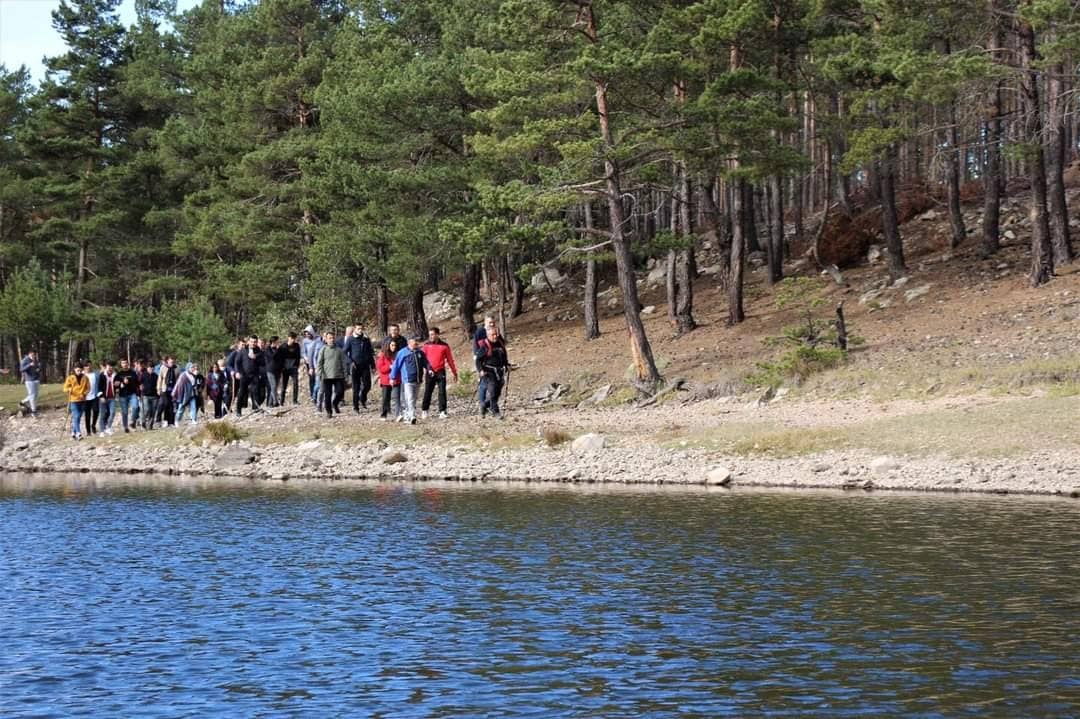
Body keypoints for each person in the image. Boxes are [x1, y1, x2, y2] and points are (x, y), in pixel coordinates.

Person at [390, 335, 432, 425]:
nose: (416, 343)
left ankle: (407, 415)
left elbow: (426, 362)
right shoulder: (402, 352)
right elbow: (396, 365)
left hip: (418, 379)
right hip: (407, 380)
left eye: (417, 341)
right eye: (414, 341)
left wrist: (429, 369)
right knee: (410, 398)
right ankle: (412, 416)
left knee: (414, 398)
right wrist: (392, 377)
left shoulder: (420, 352)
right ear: (409, 342)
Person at [421, 326, 458, 419]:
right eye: (430, 335)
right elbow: (422, 359)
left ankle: (442, 411)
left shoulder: (444, 346)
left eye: (433, 334)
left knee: (442, 391)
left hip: (440, 371)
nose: (431, 336)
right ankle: (424, 410)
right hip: (430, 371)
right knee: (428, 391)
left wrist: (454, 372)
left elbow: (450, 360)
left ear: (437, 334)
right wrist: (426, 369)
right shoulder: (426, 345)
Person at [476, 326, 509, 418]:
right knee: (493, 391)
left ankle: (484, 405)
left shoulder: (500, 343)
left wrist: (507, 365)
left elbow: (504, 356)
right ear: (488, 335)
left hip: (499, 371)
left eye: (496, 334)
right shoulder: (485, 346)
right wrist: (480, 370)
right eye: (493, 335)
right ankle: (495, 411)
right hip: (488, 372)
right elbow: (478, 360)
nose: (495, 336)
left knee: (497, 392)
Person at [344, 323, 376, 413]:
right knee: (356, 387)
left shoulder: (366, 339)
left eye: (361, 328)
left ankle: (362, 398)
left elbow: (370, 353)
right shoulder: (350, 339)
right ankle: (356, 407)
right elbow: (344, 352)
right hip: (355, 366)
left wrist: (373, 365)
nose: (360, 330)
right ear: (355, 329)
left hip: (365, 366)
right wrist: (350, 362)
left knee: (367, 385)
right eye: (358, 328)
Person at [316, 330, 346, 418]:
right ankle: (329, 411)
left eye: (333, 338)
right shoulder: (323, 350)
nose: (331, 340)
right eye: (329, 338)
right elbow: (319, 363)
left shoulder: (339, 350)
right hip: (326, 376)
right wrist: (320, 373)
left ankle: (335, 403)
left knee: (340, 392)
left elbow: (343, 363)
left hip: (338, 375)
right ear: (326, 339)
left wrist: (345, 374)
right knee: (327, 395)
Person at [234, 336, 266, 418]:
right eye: (252, 342)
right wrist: (238, 372)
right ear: (249, 342)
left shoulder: (258, 351)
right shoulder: (243, 350)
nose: (253, 343)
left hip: (254, 374)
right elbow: (237, 362)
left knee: (256, 392)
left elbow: (263, 362)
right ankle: (238, 410)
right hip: (244, 374)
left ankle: (256, 409)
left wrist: (256, 357)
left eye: (255, 342)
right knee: (242, 392)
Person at [376, 338, 402, 421]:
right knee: (386, 398)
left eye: (395, 345)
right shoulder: (383, 355)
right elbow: (381, 368)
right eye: (392, 345)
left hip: (396, 379)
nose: (394, 347)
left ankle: (398, 414)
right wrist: (389, 367)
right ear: (388, 346)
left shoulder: (398, 355)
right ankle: (384, 414)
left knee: (396, 398)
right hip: (386, 380)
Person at [63, 364, 90, 440]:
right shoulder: (70, 378)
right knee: (76, 416)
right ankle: (78, 433)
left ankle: (73, 431)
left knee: (78, 417)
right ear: (74, 370)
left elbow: (88, 388)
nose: (79, 372)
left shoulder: (85, 378)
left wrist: (84, 394)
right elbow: (65, 388)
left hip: (82, 400)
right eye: (78, 370)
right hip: (73, 400)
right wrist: (69, 389)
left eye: (80, 370)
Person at [277, 332, 302, 405]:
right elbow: (279, 357)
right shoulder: (283, 346)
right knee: (284, 385)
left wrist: (296, 365)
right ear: (288, 338)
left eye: (294, 338)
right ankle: (281, 401)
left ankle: (295, 400)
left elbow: (298, 356)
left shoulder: (297, 346)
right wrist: (282, 367)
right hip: (285, 368)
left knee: (295, 383)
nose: (293, 340)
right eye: (292, 338)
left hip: (293, 367)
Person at [115, 358, 139, 433]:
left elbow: (137, 382)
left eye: (126, 363)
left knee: (135, 407)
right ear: (121, 364)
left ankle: (132, 422)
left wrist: (137, 386)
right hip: (123, 395)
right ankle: (125, 427)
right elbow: (115, 384)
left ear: (128, 364)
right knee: (124, 412)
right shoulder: (119, 374)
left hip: (132, 394)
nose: (125, 364)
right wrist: (121, 383)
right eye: (123, 363)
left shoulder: (133, 373)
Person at [156, 356, 179, 427]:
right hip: (164, 389)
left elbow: (178, 379)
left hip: (173, 389)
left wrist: (178, 389)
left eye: (173, 362)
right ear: (167, 361)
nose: (172, 363)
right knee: (166, 404)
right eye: (170, 362)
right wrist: (158, 388)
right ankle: (165, 420)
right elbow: (160, 378)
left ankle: (171, 422)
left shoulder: (176, 368)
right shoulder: (163, 368)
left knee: (172, 406)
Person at [136, 358, 158, 430]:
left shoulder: (156, 376)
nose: (151, 369)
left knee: (153, 411)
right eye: (150, 368)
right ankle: (143, 423)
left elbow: (158, 384)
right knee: (146, 409)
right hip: (145, 395)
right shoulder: (143, 375)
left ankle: (150, 425)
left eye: (152, 368)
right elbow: (138, 382)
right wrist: (140, 386)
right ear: (147, 368)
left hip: (154, 396)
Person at [97, 360, 118, 435]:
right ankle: (102, 431)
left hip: (112, 397)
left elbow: (118, 385)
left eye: (111, 366)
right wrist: (101, 396)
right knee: (102, 414)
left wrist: (118, 385)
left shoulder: (115, 375)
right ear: (106, 367)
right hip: (103, 398)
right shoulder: (102, 375)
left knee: (112, 413)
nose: (110, 368)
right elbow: (99, 387)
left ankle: (108, 427)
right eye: (109, 366)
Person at [18, 349, 41, 417]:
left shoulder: (35, 360)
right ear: (29, 354)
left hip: (36, 379)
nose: (34, 356)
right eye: (32, 355)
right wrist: (29, 365)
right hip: (29, 380)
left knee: (35, 395)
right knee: (32, 396)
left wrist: (39, 369)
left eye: (35, 355)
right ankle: (34, 411)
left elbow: (38, 367)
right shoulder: (25, 360)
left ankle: (22, 402)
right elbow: (21, 369)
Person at [82, 361, 99, 436]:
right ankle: (88, 431)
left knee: (96, 411)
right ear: (84, 367)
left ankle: (93, 425)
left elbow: (99, 383)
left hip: (94, 396)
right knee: (87, 414)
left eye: (89, 365)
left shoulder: (95, 374)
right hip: (85, 398)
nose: (88, 367)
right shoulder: (82, 374)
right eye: (86, 366)